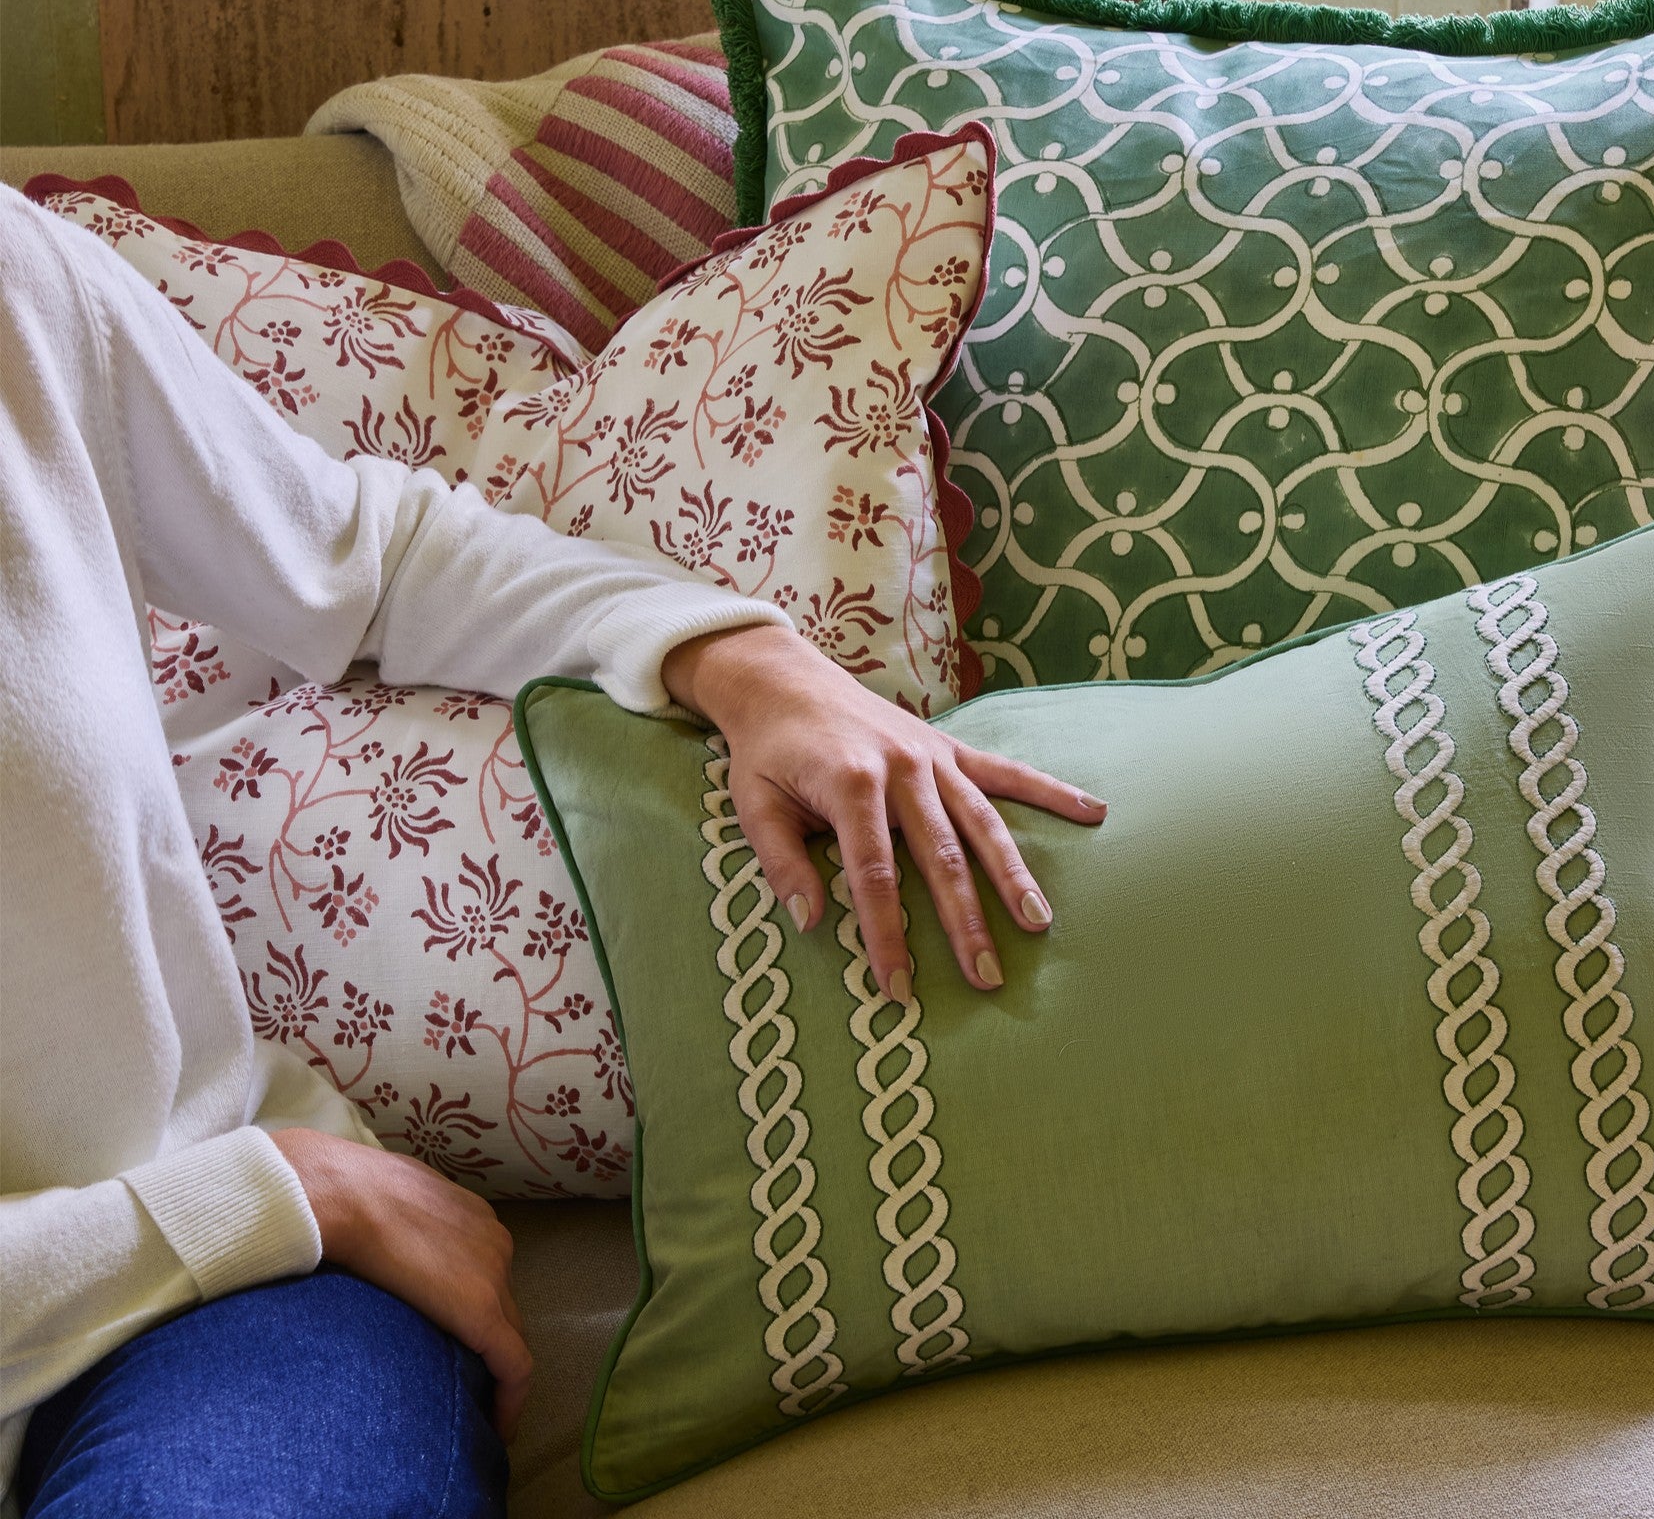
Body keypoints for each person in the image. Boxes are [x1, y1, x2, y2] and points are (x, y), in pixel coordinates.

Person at [0, 182, 1105, 1516]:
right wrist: (258, 1199)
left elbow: (374, 558)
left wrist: (738, 656)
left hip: (216, 1306)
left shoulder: (18, 288)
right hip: (230, 1213)